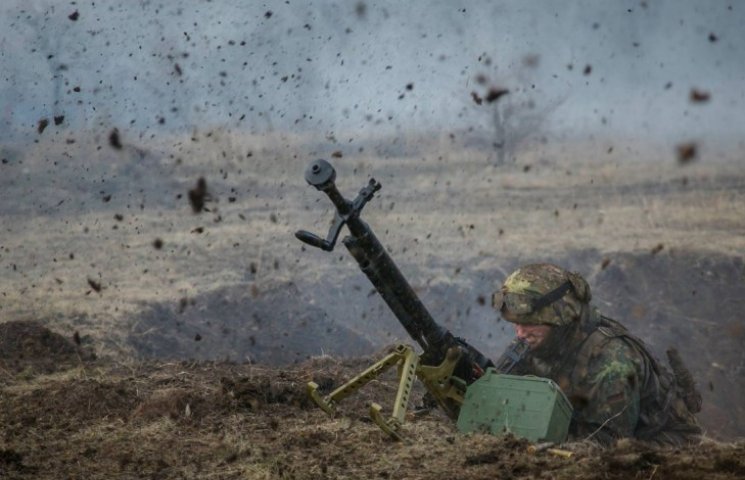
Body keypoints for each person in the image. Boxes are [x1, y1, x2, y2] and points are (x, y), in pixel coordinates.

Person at [491, 263, 702, 446]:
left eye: (529, 323)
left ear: (560, 319)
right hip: (580, 430)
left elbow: (607, 443)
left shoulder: (612, 362)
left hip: (660, 445)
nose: (519, 333)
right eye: (516, 323)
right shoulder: (538, 340)